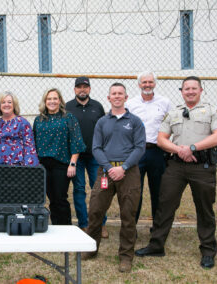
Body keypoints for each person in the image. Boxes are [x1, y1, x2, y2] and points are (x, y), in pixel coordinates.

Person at [135, 76, 217, 269]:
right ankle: (156, 245)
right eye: (187, 89)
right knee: (164, 205)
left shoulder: (211, 111)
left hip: (202, 167)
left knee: (204, 209)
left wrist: (192, 147)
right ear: (182, 91)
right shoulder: (174, 113)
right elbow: (161, 139)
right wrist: (181, 151)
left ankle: (208, 251)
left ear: (201, 90)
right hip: (176, 166)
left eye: (194, 88)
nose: (190, 91)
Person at [82, 83, 145, 273]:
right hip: (106, 172)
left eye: (120, 94)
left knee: (128, 214)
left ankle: (126, 256)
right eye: (113, 94)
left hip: (129, 172)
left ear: (126, 98)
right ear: (108, 98)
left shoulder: (135, 121)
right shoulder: (102, 122)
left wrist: (124, 167)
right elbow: (96, 148)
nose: (117, 96)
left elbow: (140, 147)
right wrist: (109, 168)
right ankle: (91, 249)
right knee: (95, 211)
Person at [33, 88, 86, 225]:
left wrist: (72, 163)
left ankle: (66, 229)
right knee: (51, 199)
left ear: (60, 101)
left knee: (60, 198)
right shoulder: (39, 120)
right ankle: (56, 227)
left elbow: (76, 141)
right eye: (49, 99)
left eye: (55, 98)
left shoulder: (68, 118)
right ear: (45, 101)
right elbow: (34, 142)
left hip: (62, 163)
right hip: (43, 164)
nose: (52, 101)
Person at [126, 71, 171, 224]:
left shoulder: (164, 102)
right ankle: (132, 228)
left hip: (157, 151)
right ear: (139, 85)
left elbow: (170, 125)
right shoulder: (131, 104)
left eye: (150, 82)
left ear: (155, 84)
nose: (147, 85)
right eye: (144, 82)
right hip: (137, 152)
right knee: (135, 191)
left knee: (158, 191)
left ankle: (157, 228)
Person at [66, 76, 108, 235]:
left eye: (85, 87)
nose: (82, 90)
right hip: (76, 157)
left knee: (100, 189)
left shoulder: (97, 106)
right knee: (79, 189)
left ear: (89, 89)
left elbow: (104, 129)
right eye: (79, 87)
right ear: (75, 89)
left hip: (96, 156)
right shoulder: (68, 107)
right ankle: (83, 224)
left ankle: (101, 223)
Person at [0, 91, 39, 166]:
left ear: (14, 105)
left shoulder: (22, 122)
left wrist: (29, 167)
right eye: (3, 102)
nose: (6, 105)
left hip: (17, 165)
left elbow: (29, 145)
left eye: (9, 102)